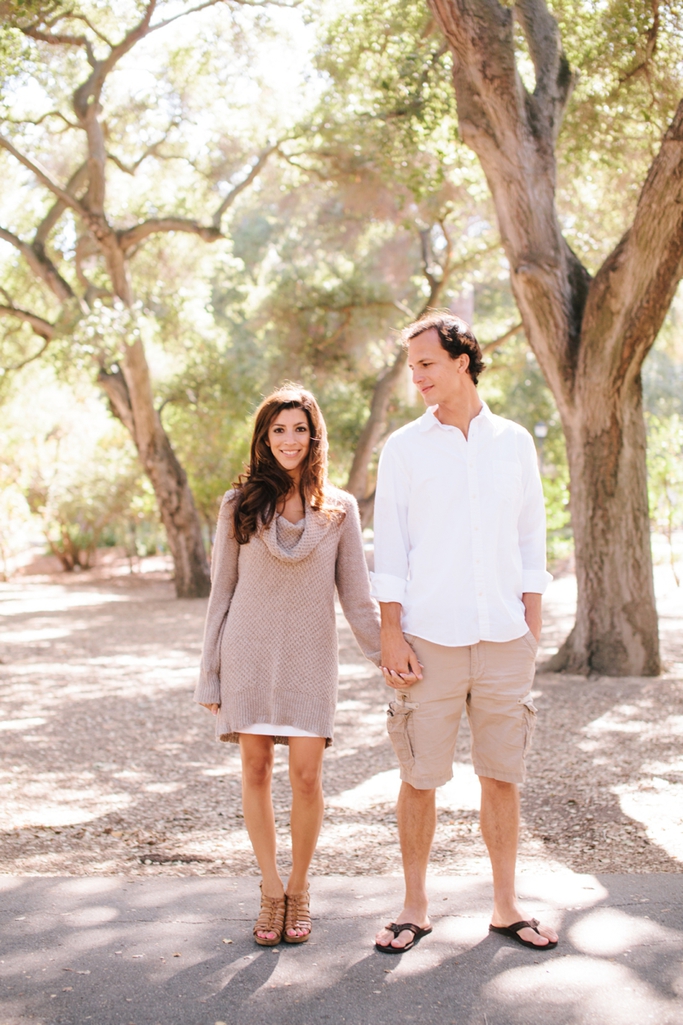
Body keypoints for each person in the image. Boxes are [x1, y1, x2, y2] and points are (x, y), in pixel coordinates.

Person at [371, 313, 558, 955]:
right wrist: (390, 636)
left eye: (426, 363)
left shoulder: (514, 443)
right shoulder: (404, 448)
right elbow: (389, 549)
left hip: (505, 637)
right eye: (412, 366)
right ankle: (414, 906)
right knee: (420, 777)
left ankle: (506, 907)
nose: (417, 376)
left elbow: (533, 535)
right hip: (430, 641)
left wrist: (531, 619)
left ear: (461, 360)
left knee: (502, 776)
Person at [195, 385, 380, 947]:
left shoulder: (339, 510)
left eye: (299, 428)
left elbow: (358, 598)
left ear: (314, 435)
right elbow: (220, 593)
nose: (289, 440)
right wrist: (210, 670)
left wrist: (391, 657)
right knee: (254, 771)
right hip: (247, 655)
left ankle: (300, 887)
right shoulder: (238, 505)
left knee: (306, 776)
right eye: (278, 429)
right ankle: (270, 888)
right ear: (263, 437)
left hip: (309, 661)